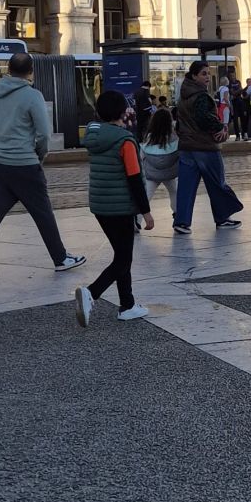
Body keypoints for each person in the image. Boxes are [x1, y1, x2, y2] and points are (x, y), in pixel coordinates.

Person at [0, 48, 85, 281]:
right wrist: (38, 156)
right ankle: (60, 258)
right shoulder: (32, 96)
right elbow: (44, 134)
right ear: (31, 72)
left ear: (8, 70)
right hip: (23, 163)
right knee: (43, 212)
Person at [75, 89, 152, 327]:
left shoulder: (94, 135)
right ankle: (91, 293)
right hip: (120, 208)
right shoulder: (124, 140)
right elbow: (135, 179)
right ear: (123, 111)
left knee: (122, 254)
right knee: (123, 258)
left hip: (100, 206)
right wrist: (146, 212)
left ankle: (127, 305)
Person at [172, 60, 244, 234]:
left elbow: (180, 121)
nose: (207, 77)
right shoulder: (201, 96)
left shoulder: (183, 95)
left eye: (207, 73)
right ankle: (222, 217)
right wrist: (221, 127)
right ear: (194, 75)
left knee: (186, 186)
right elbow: (204, 117)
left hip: (187, 146)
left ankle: (181, 222)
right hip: (204, 146)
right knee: (217, 183)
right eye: (203, 73)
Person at [140, 103, 180, 214]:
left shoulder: (149, 137)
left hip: (151, 175)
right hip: (170, 174)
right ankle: (178, 215)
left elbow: (141, 156)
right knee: (175, 192)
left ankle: (136, 221)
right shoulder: (175, 137)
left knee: (146, 196)